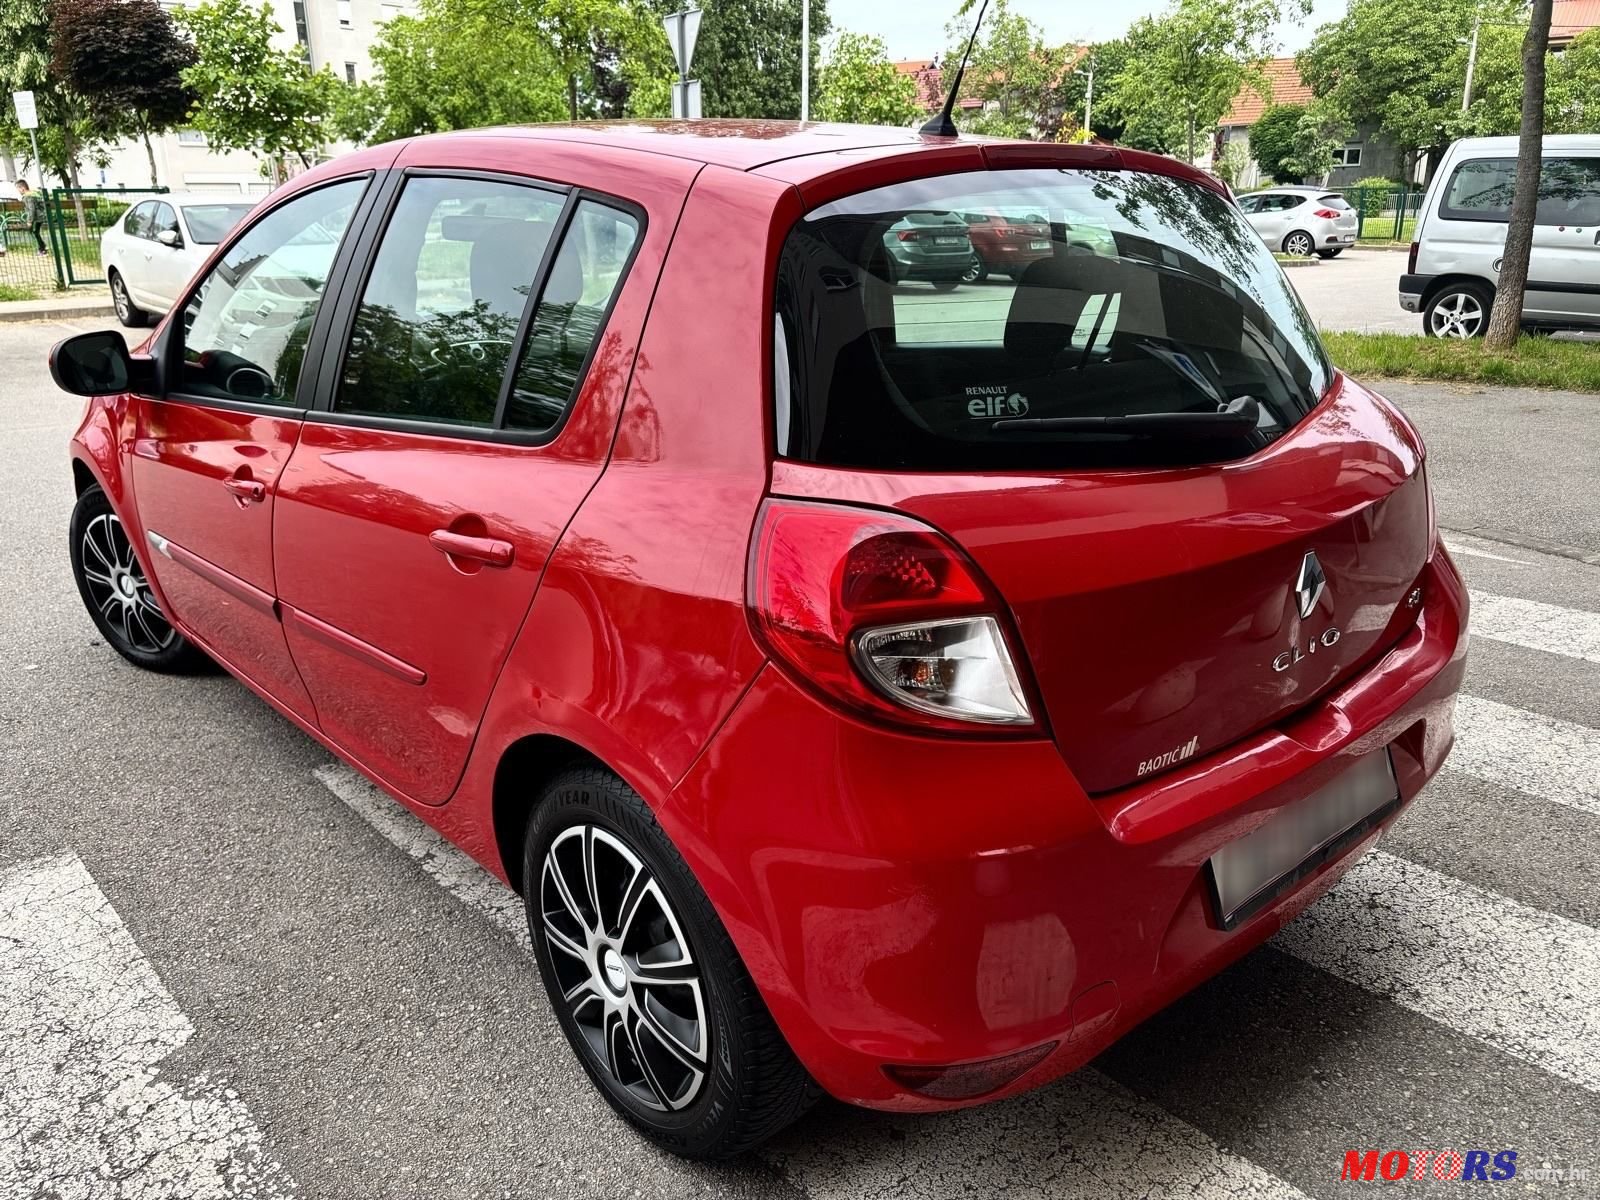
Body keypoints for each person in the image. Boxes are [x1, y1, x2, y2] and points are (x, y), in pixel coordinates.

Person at [17, 180, 46, 255]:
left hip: (36, 217)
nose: (18, 191)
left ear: (23, 188)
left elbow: (31, 209)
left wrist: (29, 221)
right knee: (36, 232)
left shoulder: (28, 196)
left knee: (35, 232)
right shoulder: (34, 193)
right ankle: (42, 247)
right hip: (40, 216)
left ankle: (42, 249)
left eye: (18, 189)